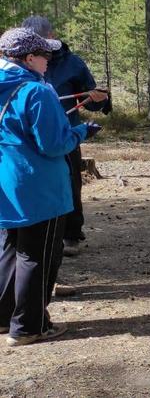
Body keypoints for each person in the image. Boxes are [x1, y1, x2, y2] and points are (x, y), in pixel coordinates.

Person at [0, 27, 101, 346]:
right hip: (39, 187)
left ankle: (3, 318)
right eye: (46, 55)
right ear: (29, 58)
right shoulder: (37, 92)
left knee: (10, 250)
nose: (50, 60)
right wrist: (82, 132)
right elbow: (54, 144)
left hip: (7, 184)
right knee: (38, 255)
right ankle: (29, 326)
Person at [22, 16, 110, 256]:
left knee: (70, 184)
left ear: (51, 36)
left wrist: (97, 99)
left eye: (40, 40)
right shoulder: (18, 64)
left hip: (66, 134)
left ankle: (71, 234)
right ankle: (32, 235)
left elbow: (90, 101)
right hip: (26, 139)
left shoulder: (72, 63)